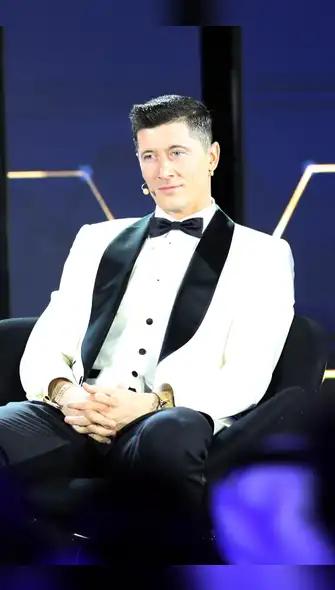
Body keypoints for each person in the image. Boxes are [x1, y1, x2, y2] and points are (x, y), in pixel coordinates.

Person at [0, 95, 296, 519]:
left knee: (174, 435)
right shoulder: (95, 239)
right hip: (77, 415)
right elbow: (46, 343)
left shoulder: (262, 254)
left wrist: (150, 405)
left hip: (163, 420)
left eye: (177, 153)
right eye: (149, 156)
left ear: (211, 157)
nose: (164, 170)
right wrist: (67, 396)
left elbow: (247, 374)